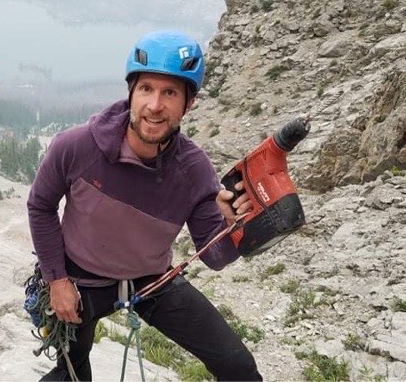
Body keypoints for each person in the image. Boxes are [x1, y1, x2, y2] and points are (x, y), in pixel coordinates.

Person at [27, 30, 262, 381]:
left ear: (189, 103)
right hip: (79, 278)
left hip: (152, 280)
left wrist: (236, 226)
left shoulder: (194, 170)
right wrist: (56, 280)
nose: (155, 105)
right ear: (131, 93)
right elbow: (40, 205)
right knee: (72, 372)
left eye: (170, 93)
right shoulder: (77, 146)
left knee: (238, 367)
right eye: (146, 89)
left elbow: (214, 257)